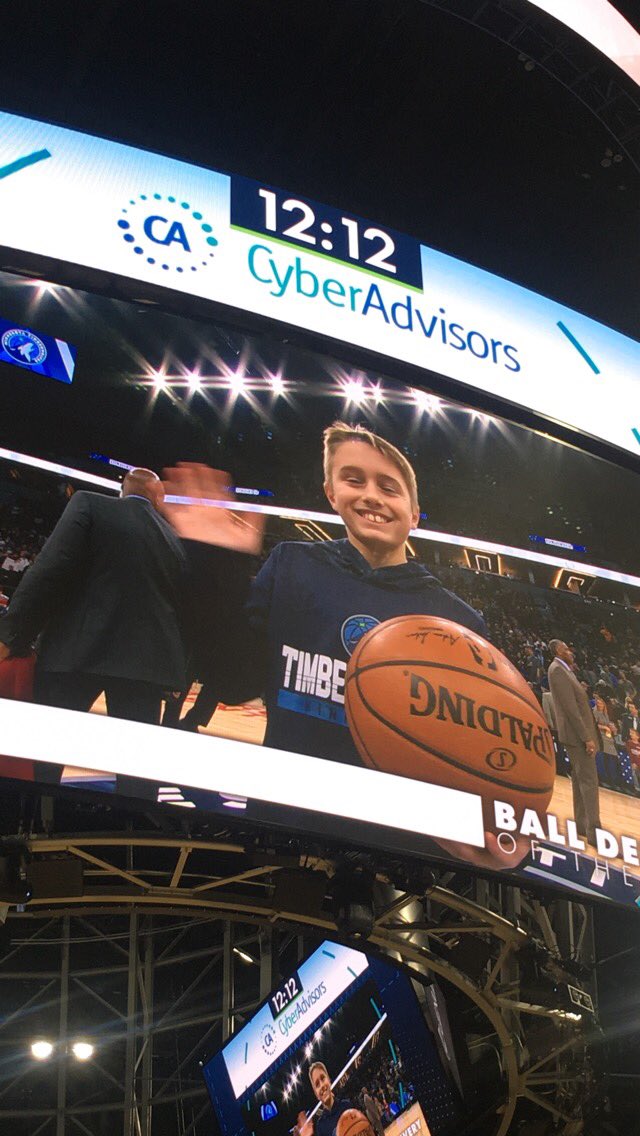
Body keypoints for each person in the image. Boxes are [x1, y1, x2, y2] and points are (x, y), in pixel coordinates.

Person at [0, 469, 187, 797]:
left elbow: (49, 571)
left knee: (45, 763)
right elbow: (183, 611)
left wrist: (10, 635)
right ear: (159, 500)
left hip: (76, 651)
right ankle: (128, 843)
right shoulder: (174, 540)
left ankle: (32, 835)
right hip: (144, 667)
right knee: (137, 781)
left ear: (122, 490)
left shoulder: (89, 503)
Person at [547, 639, 601, 845]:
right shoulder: (557, 671)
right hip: (577, 736)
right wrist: (586, 737)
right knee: (589, 782)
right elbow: (571, 709)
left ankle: (582, 824)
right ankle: (595, 832)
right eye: (566, 649)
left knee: (580, 781)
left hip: (577, 735)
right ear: (557, 651)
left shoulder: (565, 670)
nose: (570, 652)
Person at [308, 1062, 354, 1136]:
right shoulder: (321, 1126)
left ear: (329, 1080)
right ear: (316, 1094)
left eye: (323, 1078)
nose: (322, 1085)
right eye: (317, 1084)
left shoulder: (347, 1106)